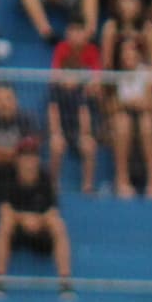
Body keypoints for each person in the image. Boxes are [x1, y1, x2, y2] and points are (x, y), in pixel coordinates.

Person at [0, 140, 76, 302]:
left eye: (32, 157)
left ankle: (65, 282)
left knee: (58, 225)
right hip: (18, 231)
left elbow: (53, 211)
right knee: (4, 224)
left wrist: (38, 220)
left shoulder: (45, 178)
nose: (29, 161)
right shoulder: (8, 177)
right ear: (18, 160)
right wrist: (23, 219)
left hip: (41, 232)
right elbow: (4, 211)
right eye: (25, 157)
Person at [0, 84, 42, 237]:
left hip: (18, 171)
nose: (4, 104)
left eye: (7, 99)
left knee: (33, 171)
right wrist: (15, 154)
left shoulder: (27, 119)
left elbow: (32, 150)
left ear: (15, 101)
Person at [47, 19, 105, 193]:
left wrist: (84, 134)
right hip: (62, 128)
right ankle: (52, 184)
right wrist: (56, 132)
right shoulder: (57, 91)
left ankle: (87, 185)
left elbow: (84, 113)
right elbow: (53, 111)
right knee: (56, 144)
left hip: (78, 130)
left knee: (89, 145)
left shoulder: (82, 92)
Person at [107, 34, 152, 199]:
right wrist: (129, 103)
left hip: (146, 121)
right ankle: (122, 180)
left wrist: (126, 103)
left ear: (139, 53)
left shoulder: (148, 73)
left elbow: (149, 103)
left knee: (146, 122)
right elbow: (111, 106)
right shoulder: (112, 76)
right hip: (121, 122)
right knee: (122, 122)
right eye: (124, 50)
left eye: (132, 50)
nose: (128, 54)